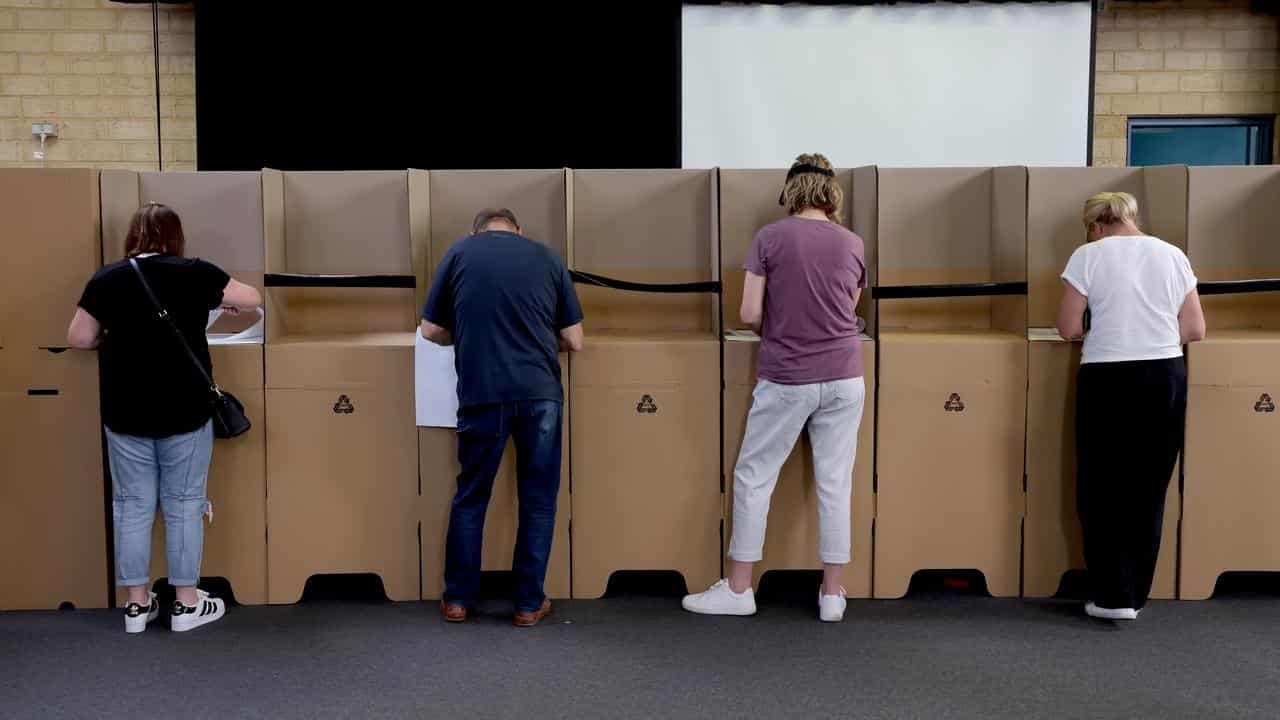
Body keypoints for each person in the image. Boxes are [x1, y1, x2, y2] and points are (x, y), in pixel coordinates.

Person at [683, 153, 868, 622]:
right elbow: (848, 307)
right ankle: (831, 594)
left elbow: (748, 313)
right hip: (846, 375)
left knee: (754, 477)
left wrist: (780, 324)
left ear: (790, 191)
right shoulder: (852, 243)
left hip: (788, 375)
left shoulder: (770, 237)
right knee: (835, 482)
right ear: (832, 194)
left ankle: (740, 588)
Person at [67, 203, 262, 634]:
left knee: (132, 506)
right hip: (185, 409)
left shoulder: (108, 278)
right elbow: (252, 298)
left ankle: (136, 607)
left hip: (125, 410)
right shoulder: (195, 272)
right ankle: (186, 605)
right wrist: (216, 303)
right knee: (184, 505)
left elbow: (79, 338)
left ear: (132, 236)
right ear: (176, 237)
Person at [421, 207, 584, 628]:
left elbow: (429, 330)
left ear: (475, 231)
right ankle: (528, 604)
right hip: (540, 395)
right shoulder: (548, 257)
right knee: (538, 500)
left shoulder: (459, 253)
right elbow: (575, 340)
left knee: (471, 496)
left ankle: (457, 599)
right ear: (519, 230)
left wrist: (471, 331)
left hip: (482, 393)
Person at [1057, 191, 1205, 622]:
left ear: (1095, 225)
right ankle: (1136, 595)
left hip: (1108, 376)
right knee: (1149, 486)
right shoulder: (1173, 255)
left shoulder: (1089, 255)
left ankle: (1111, 595)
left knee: (1102, 486)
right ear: (1132, 218)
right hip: (1164, 375)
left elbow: (1067, 327)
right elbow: (1195, 328)